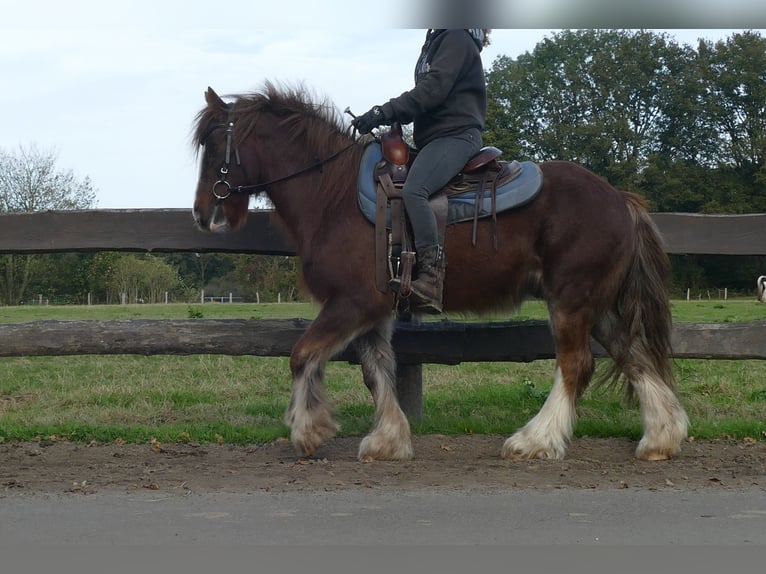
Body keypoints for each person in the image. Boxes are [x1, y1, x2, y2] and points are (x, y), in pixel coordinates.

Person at [353, 28, 490, 314]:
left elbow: (434, 89)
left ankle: (431, 279)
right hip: (436, 138)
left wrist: (384, 111)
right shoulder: (437, 40)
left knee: (415, 190)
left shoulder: (456, 37)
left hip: (456, 135)